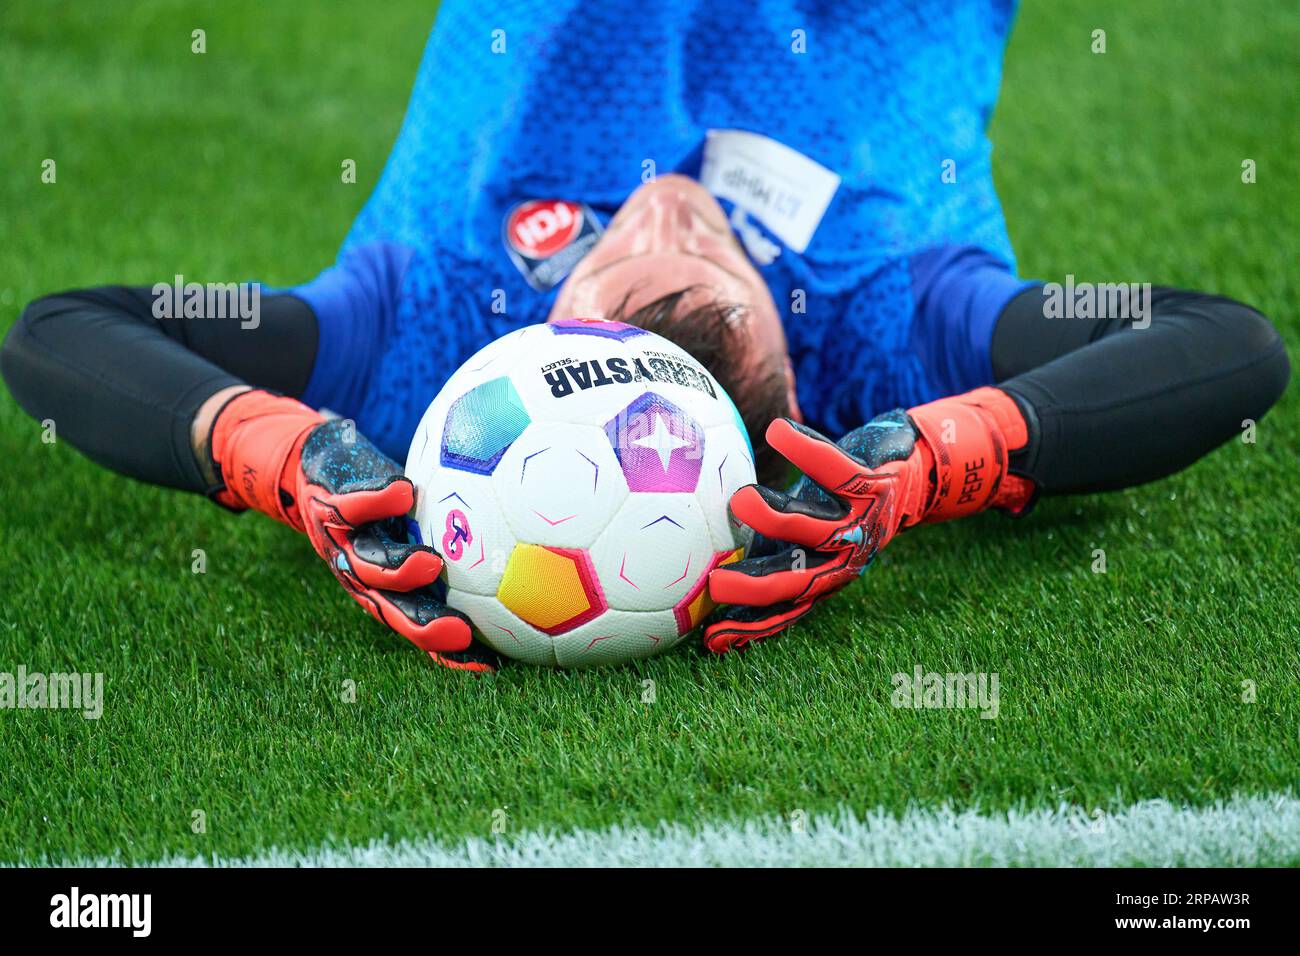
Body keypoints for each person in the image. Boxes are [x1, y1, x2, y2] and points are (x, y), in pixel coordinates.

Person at [2, 1, 1288, 671]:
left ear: (554, 334)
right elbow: (1222, 343)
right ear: (787, 348)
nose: (669, 206)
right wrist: (947, 454)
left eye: (620, 267)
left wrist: (283, 459)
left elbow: (67, 330)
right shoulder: (901, 323)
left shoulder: (416, 331)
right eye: (713, 262)